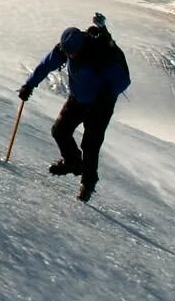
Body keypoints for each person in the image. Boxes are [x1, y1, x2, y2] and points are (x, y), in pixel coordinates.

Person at [17, 12, 131, 203]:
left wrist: (106, 95)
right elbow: (46, 65)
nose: (69, 56)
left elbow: (123, 80)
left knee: (90, 145)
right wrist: (29, 84)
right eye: (67, 52)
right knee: (59, 131)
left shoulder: (99, 55)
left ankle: (88, 183)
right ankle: (72, 162)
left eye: (72, 53)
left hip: (100, 107)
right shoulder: (67, 48)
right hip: (78, 99)